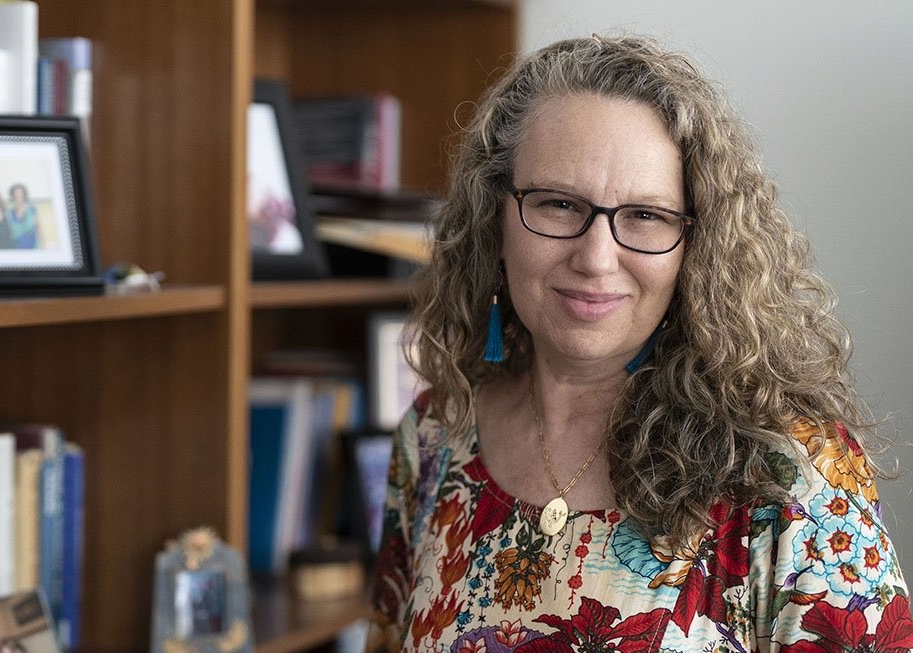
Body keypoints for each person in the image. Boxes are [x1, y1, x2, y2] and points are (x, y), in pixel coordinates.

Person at [367, 35, 911, 652]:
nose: (596, 258)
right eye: (556, 204)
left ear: (695, 246)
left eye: (646, 216)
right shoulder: (436, 434)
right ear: (494, 220)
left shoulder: (792, 477)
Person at [7, 183, 38, 249]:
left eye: (20, 193)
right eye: (16, 193)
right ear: (13, 196)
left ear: (24, 194)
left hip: (32, 247)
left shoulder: (32, 209)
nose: (18, 195)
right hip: (17, 248)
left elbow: (38, 229)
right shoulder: (9, 212)